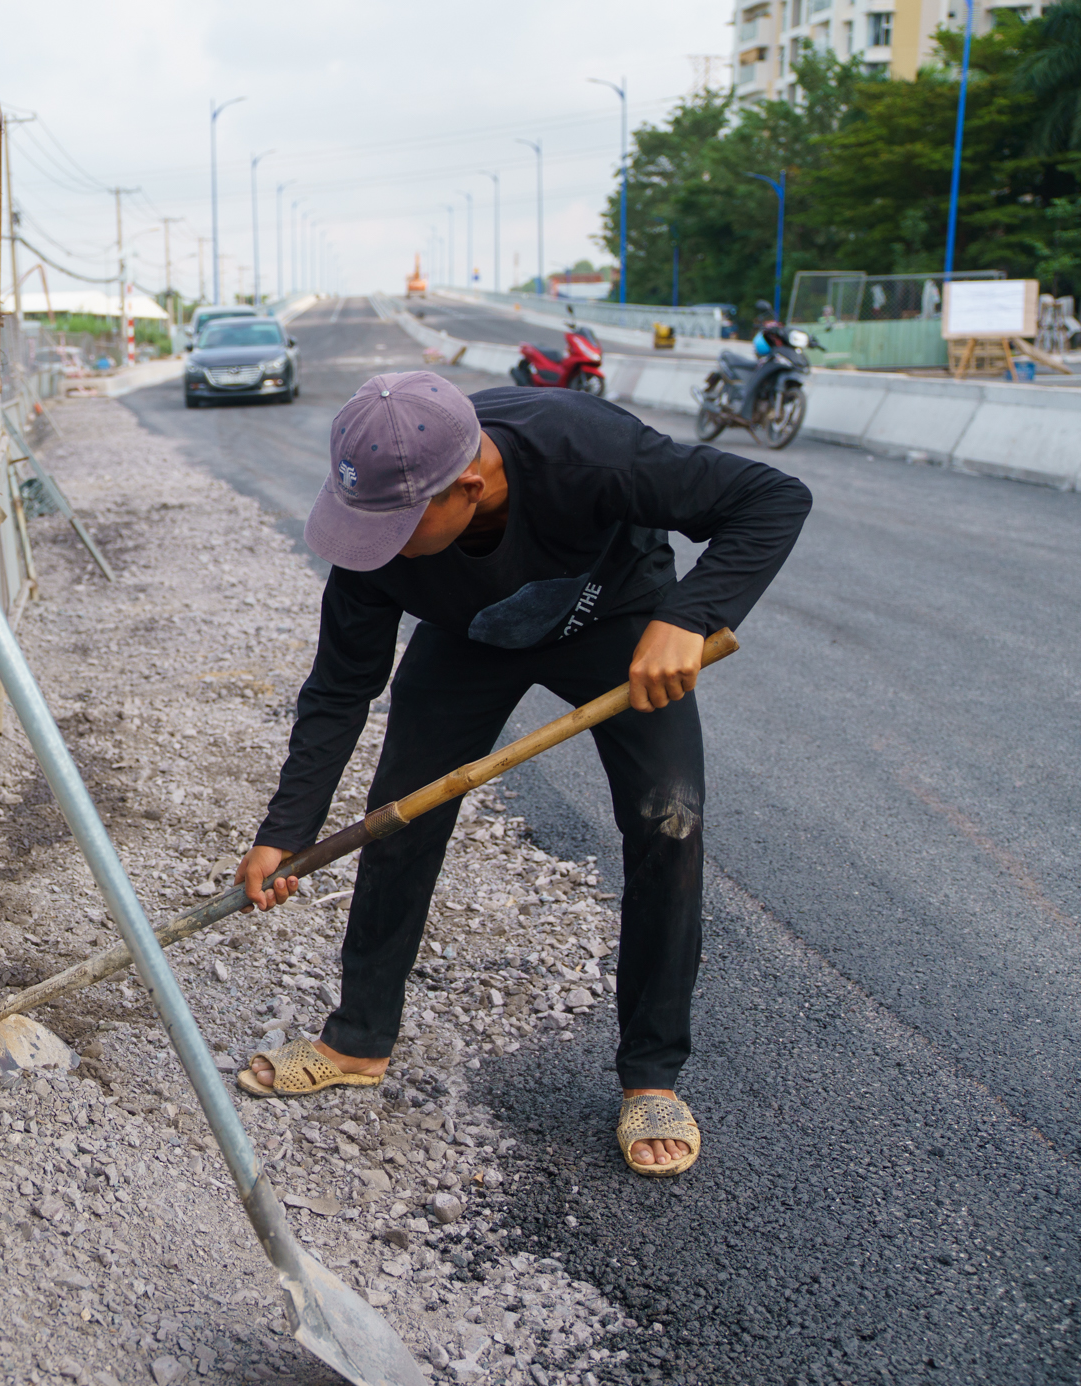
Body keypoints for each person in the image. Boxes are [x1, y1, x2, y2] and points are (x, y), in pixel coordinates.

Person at [231, 371, 810, 1179]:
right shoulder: (375, 533)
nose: (374, 547)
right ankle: (358, 1039)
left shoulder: (588, 451)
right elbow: (338, 687)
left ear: (469, 485)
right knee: (400, 814)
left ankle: (650, 1073)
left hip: (618, 621)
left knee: (668, 820)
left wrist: (689, 616)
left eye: (398, 526)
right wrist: (284, 831)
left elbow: (773, 497)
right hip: (467, 638)